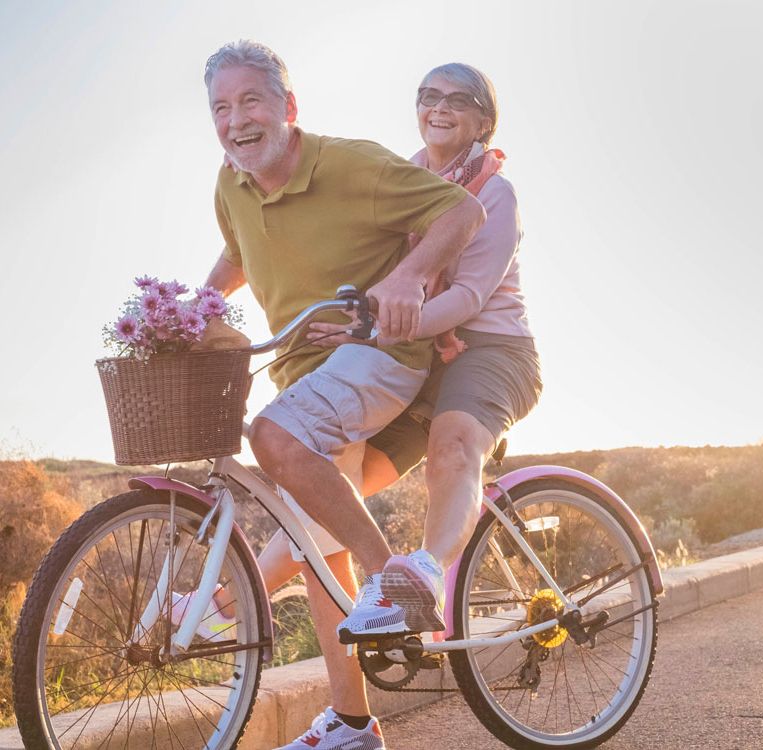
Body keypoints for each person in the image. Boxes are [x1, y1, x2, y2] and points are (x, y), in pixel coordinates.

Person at [200, 41, 484, 750]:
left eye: (251, 101)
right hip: (306, 373)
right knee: (318, 549)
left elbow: (460, 213)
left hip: (380, 355)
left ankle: (395, 583)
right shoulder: (230, 185)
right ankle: (354, 723)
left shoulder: (351, 164)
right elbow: (238, 254)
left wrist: (411, 277)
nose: (237, 121)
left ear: (289, 108)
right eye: (221, 108)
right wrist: (192, 310)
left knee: (272, 435)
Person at [254, 62, 542, 748]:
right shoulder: (408, 174)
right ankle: (239, 607)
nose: (439, 108)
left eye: (458, 100)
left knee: (452, 446)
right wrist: (348, 322)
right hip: (415, 359)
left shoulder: (494, 193)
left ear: (483, 121)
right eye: (428, 97)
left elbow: (468, 300)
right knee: (325, 494)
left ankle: (421, 576)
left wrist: (383, 329)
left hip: (490, 352)